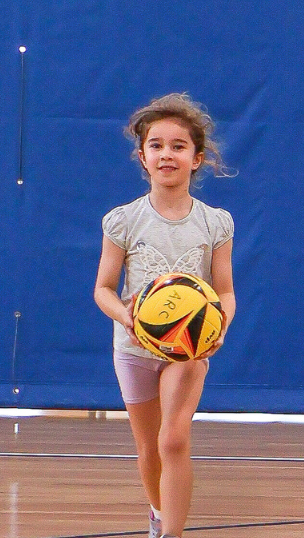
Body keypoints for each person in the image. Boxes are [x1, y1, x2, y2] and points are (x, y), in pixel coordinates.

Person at [92, 93, 236, 538]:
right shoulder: (122, 221)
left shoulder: (215, 223)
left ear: (197, 158)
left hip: (188, 350)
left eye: (178, 146)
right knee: (148, 447)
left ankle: (172, 533)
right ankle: (158, 513)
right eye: (156, 145)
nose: (166, 154)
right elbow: (102, 289)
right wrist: (127, 316)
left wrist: (219, 326)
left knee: (173, 439)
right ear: (142, 157)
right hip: (133, 347)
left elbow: (226, 291)